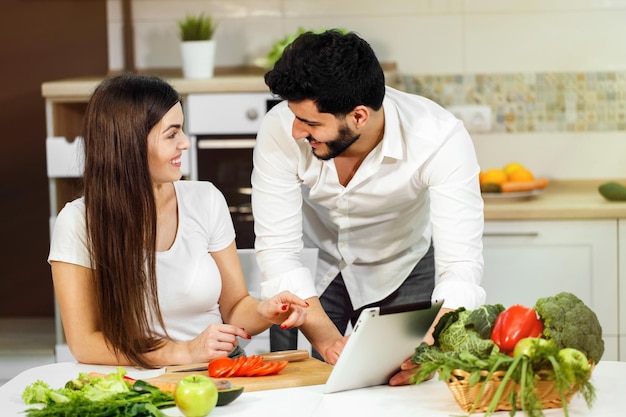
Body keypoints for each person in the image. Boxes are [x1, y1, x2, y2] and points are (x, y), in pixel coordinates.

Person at [251, 30, 486, 384]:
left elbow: (461, 266)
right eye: (294, 116)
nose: (297, 131)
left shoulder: (439, 139)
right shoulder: (280, 129)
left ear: (359, 116)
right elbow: (278, 250)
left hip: (402, 265)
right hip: (314, 269)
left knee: (401, 388)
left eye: (312, 123)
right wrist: (328, 342)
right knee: (301, 388)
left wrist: (431, 344)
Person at [48, 73, 308, 369]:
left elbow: (235, 307)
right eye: (171, 134)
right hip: (135, 380)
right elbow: (85, 342)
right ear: (129, 143)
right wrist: (180, 352)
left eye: (181, 130)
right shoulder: (78, 222)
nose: (184, 143)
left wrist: (264, 311)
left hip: (218, 372)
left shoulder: (205, 199)